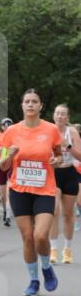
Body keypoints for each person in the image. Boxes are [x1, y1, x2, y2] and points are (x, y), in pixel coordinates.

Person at [0, 88, 63, 295]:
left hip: (44, 189)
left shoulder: (51, 129)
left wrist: (57, 160)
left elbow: (59, 156)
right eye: (27, 101)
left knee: (41, 236)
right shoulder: (11, 132)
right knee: (28, 237)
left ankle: (46, 268)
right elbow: (2, 165)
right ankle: (34, 280)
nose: (30, 104)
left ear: (40, 106)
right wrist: (10, 155)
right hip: (20, 189)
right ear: (22, 105)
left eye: (34, 101)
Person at [49, 104, 81, 264]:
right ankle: (53, 249)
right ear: (54, 116)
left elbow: (80, 156)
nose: (60, 116)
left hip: (69, 173)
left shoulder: (72, 132)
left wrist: (68, 146)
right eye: (57, 113)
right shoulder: (47, 130)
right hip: (53, 173)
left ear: (67, 118)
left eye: (63, 114)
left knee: (68, 215)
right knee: (53, 211)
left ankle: (67, 249)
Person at [0, 117, 14, 226]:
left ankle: (8, 215)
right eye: (5, 124)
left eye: (9, 124)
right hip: (1, 165)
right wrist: (3, 148)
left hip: (12, 165)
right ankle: (5, 210)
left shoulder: (16, 136)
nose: (7, 126)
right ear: (2, 126)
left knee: (9, 192)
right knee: (3, 195)